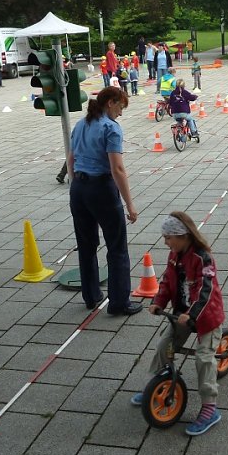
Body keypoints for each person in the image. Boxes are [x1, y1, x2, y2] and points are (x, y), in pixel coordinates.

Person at [130, 212, 226, 436]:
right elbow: (166, 281)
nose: (165, 242)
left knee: (204, 358)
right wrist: (158, 301)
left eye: (168, 237)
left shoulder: (204, 258)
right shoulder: (174, 256)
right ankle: (159, 383)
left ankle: (210, 408)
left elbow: (206, 290)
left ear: (182, 236)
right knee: (164, 345)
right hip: (182, 314)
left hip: (205, 316)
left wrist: (192, 313)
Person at [67, 87, 141, 316]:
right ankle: (119, 302)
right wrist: (130, 204)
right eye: (121, 107)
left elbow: (71, 159)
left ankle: (91, 296)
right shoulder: (111, 128)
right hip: (102, 190)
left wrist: (75, 184)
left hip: (79, 189)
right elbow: (117, 168)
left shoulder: (81, 124)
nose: (121, 113)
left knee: (86, 246)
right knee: (117, 247)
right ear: (111, 103)